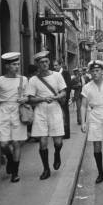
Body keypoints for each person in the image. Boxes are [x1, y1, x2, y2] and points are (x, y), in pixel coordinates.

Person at [26, 51, 67, 180]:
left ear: (49, 62)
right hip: (40, 112)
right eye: (41, 62)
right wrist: (43, 99)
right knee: (43, 142)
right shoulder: (33, 80)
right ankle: (46, 169)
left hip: (55, 109)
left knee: (58, 142)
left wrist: (55, 97)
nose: (44, 64)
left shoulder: (57, 76)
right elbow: (30, 99)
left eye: (46, 62)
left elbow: (64, 93)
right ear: (37, 64)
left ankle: (57, 153)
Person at [0, 52, 28, 183]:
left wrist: (25, 98)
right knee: (4, 144)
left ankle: (15, 173)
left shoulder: (23, 79)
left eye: (17, 64)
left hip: (18, 110)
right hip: (3, 112)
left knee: (16, 142)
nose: (16, 67)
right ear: (7, 66)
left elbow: (29, 95)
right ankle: (10, 159)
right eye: (13, 65)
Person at [53, 60, 71, 139]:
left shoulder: (65, 73)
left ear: (61, 65)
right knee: (57, 116)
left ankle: (66, 133)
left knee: (65, 115)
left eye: (56, 65)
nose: (55, 67)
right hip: (56, 98)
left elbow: (68, 87)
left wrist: (66, 98)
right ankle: (58, 133)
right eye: (54, 65)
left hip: (64, 98)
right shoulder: (53, 74)